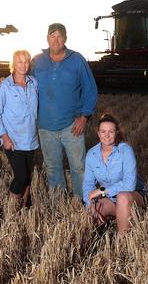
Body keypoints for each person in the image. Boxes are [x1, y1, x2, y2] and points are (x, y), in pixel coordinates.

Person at [32, 23, 98, 199]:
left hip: (72, 126)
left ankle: (83, 202)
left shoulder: (77, 59)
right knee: (53, 168)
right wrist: (3, 80)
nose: (56, 39)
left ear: (65, 39)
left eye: (60, 36)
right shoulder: (37, 61)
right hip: (45, 127)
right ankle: (58, 204)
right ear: (47, 39)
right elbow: (20, 78)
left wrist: (84, 117)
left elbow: (90, 89)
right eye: (52, 36)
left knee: (78, 167)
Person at [0, 50, 38, 208]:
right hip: (13, 140)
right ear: (13, 64)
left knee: (28, 175)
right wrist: (4, 137)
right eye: (19, 62)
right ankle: (10, 208)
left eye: (26, 61)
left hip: (31, 138)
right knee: (21, 176)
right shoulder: (3, 86)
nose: (23, 65)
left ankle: (24, 206)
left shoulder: (34, 83)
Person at [83, 114, 146, 234]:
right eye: (103, 131)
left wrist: (102, 191)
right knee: (91, 212)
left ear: (116, 132)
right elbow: (88, 184)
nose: (107, 135)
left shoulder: (125, 150)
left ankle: (122, 241)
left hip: (133, 197)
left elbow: (129, 186)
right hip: (111, 199)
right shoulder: (92, 154)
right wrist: (90, 204)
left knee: (122, 197)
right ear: (98, 133)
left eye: (111, 131)